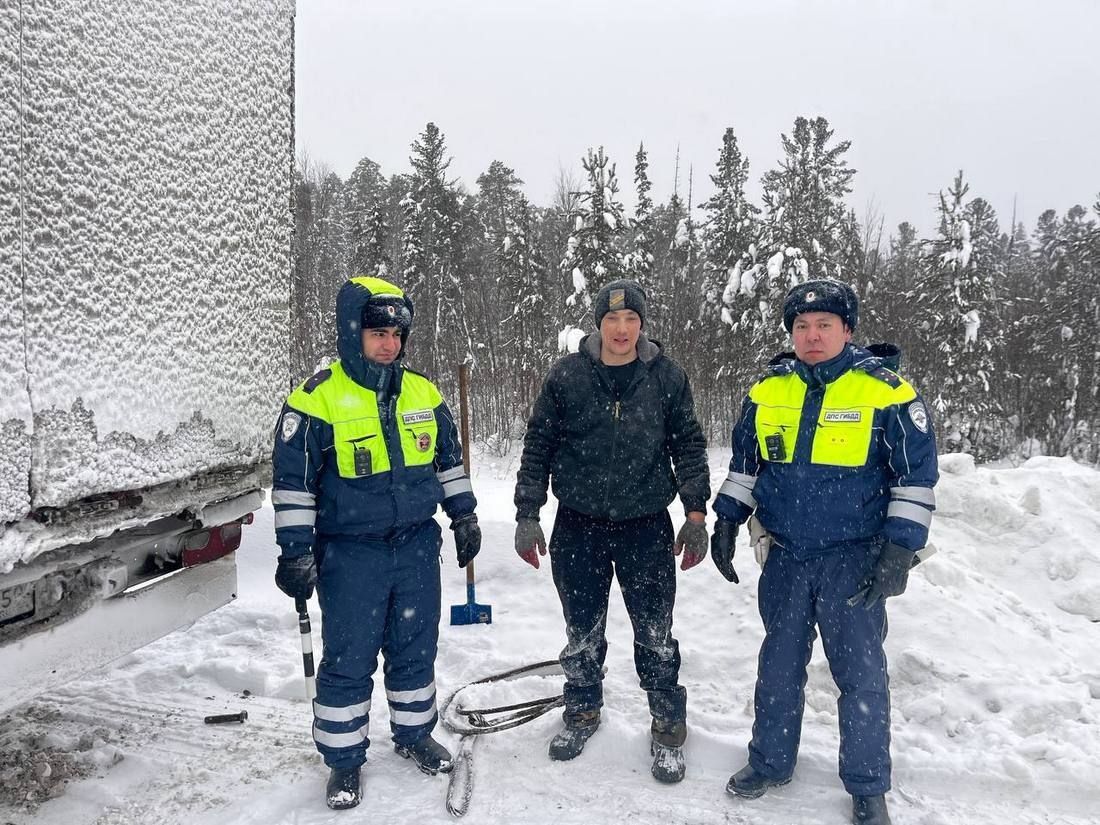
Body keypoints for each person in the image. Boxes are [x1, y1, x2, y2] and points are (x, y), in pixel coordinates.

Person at [711, 279, 938, 825]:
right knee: (779, 665)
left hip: (853, 559)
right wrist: (725, 520)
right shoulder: (769, 390)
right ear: (791, 332)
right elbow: (747, 466)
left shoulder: (887, 392)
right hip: (786, 556)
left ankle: (865, 785)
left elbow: (915, 478)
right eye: (801, 327)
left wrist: (899, 551)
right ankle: (769, 762)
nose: (812, 336)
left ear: (848, 331)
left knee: (860, 675)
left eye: (824, 326)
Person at [271, 275, 481, 810]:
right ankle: (344, 761)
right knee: (349, 658)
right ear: (351, 333)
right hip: (351, 554)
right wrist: (294, 551)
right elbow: (294, 486)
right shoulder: (317, 400)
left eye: (396, 333)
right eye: (377, 332)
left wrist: (463, 517)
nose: (389, 343)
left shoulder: (424, 393)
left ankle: (413, 734)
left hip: (414, 547)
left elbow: (449, 464)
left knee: (415, 648)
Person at [513, 278, 711, 784]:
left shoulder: (666, 377)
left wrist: (694, 514)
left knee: (655, 632)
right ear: (597, 324)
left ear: (642, 325)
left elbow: (688, 444)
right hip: (578, 525)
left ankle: (667, 722)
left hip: (646, 526)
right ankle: (581, 710)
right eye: (611, 320)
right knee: (581, 630)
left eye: (631, 320)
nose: (621, 329)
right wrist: (528, 512)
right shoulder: (568, 376)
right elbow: (538, 445)